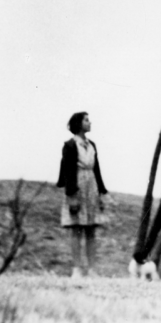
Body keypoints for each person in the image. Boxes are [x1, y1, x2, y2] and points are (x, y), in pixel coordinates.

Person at [56, 111, 109, 279]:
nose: (89, 123)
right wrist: (71, 195)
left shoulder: (92, 145)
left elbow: (97, 169)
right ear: (78, 124)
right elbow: (68, 171)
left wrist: (101, 192)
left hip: (91, 187)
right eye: (86, 120)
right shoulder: (70, 145)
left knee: (91, 229)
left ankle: (92, 269)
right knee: (76, 229)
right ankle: (77, 269)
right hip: (77, 187)